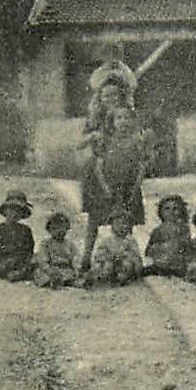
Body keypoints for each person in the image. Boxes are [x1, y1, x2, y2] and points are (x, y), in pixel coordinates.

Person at [80, 102, 152, 270]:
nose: (123, 121)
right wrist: (105, 187)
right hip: (105, 186)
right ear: (112, 121)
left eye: (127, 117)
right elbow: (98, 165)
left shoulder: (137, 141)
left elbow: (142, 167)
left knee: (126, 222)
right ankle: (86, 256)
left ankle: (127, 256)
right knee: (94, 221)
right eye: (119, 118)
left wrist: (135, 187)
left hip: (128, 186)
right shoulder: (105, 140)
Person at [0, 189, 36, 281]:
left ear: (22, 214)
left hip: (18, 262)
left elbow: (28, 252)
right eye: (11, 210)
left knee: (34, 260)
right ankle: (10, 274)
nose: (14, 213)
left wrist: (17, 260)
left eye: (18, 211)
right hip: (2, 262)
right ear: (5, 211)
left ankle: (18, 274)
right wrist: (2, 261)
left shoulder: (26, 230)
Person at [90, 209, 143, 287]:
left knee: (127, 265)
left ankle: (122, 279)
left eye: (125, 224)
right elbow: (99, 252)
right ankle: (106, 279)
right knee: (107, 266)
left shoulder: (130, 240)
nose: (121, 226)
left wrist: (125, 255)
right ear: (112, 225)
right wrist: (107, 256)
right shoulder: (107, 240)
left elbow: (135, 254)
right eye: (118, 223)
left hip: (123, 262)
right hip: (110, 261)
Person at [144, 193, 192, 277]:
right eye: (167, 209)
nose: (171, 212)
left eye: (175, 209)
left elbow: (186, 247)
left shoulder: (183, 228)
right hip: (162, 261)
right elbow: (148, 251)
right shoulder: (158, 230)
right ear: (161, 212)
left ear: (181, 211)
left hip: (178, 263)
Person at [33, 211, 81, 289]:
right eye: (55, 228)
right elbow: (42, 259)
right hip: (51, 267)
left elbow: (75, 258)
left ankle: (67, 281)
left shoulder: (70, 244)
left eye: (62, 228)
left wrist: (76, 268)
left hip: (64, 268)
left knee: (71, 275)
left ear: (67, 228)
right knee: (40, 274)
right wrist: (48, 269)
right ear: (49, 230)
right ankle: (53, 282)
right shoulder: (46, 243)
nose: (59, 231)